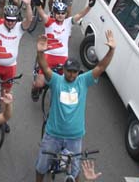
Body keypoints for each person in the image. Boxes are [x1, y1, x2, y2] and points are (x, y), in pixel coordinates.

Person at [35, 31, 117, 182]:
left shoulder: (83, 81)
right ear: (64, 70)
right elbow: (45, 68)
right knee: (41, 166)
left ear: (78, 73)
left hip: (75, 137)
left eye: (74, 72)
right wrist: (40, 53)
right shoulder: (56, 80)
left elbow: (100, 67)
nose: (71, 74)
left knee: (75, 171)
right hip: (53, 134)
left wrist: (111, 50)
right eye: (69, 71)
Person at [31, 0, 97, 100]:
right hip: (48, 56)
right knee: (39, 84)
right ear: (54, 13)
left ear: (66, 14)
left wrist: (89, 6)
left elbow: (80, 14)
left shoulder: (68, 22)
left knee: (65, 85)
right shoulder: (49, 22)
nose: (60, 15)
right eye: (58, 13)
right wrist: (38, 5)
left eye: (63, 13)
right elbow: (42, 14)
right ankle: (34, 90)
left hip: (62, 58)